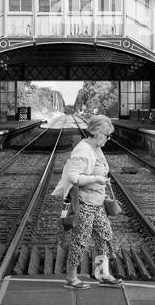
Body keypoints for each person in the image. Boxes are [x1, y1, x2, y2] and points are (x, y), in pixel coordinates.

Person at [51, 114, 121, 289]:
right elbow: (73, 176)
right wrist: (97, 179)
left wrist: (101, 186)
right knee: (81, 239)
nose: (108, 139)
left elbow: (98, 171)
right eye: (106, 135)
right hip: (84, 203)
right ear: (96, 132)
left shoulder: (96, 147)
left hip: (96, 203)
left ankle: (102, 273)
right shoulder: (83, 150)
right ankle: (71, 277)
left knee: (104, 236)